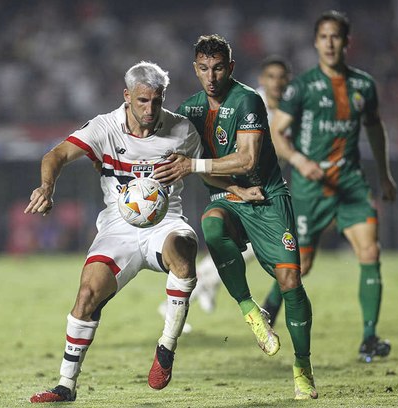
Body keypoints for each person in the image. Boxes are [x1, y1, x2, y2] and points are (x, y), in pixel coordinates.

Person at [26, 61, 262, 403]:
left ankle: (166, 348)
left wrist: (238, 191)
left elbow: (206, 173)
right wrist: (46, 187)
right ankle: (65, 386)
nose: (150, 109)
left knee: (183, 254)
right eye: (142, 101)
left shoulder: (182, 130)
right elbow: (57, 154)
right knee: (87, 297)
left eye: (156, 100)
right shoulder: (105, 127)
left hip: (166, 222)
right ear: (127, 96)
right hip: (117, 228)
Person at [154, 35, 317, 400]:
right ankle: (250, 309)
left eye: (218, 67)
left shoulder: (248, 100)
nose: (211, 76)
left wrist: (196, 166)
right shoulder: (190, 110)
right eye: (203, 69)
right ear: (195, 69)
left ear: (230, 67)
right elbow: (192, 164)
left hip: (268, 197)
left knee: (291, 280)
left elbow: (246, 159)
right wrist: (234, 190)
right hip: (229, 195)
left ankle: (302, 368)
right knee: (211, 225)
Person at [268, 10, 398, 363]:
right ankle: (267, 311)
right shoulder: (301, 87)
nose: (329, 43)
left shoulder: (363, 86)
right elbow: (277, 132)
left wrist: (384, 174)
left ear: (346, 42)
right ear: (315, 42)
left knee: (371, 253)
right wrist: (298, 161)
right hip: (312, 187)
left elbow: (375, 128)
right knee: (301, 266)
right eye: (323, 36)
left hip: (352, 184)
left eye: (335, 36)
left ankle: (369, 338)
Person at [159, 55, 293, 331]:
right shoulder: (251, 104)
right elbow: (254, 151)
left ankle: (207, 285)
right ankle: (187, 295)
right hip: (231, 182)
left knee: (251, 248)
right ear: (262, 83)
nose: (277, 84)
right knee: (247, 243)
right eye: (271, 79)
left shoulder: (289, 109)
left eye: (282, 79)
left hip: (258, 186)